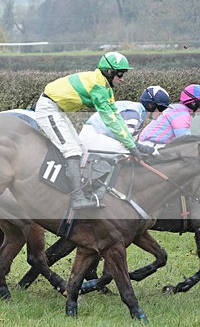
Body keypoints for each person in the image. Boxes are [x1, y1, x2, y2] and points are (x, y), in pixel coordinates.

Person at [33, 51, 142, 210]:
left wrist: (132, 143)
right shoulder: (98, 87)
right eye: (120, 74)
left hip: (58, 110)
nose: (122, 79)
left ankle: (83, 191)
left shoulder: (105, 87)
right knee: (72, 150)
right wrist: (131, 147)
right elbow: (109, 120)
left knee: (82, 149)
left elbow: (116, 117)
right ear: (109, 71)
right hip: (48, 108)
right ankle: (77, 198)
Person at [79, 86, 169, 155]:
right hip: (92, 137)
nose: (161, 113)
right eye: (161, 108)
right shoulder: (133, 113)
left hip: (100, 137)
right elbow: (128, 144)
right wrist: (151, 150)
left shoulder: (139, 116)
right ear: (150, 105)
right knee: (126, 153)